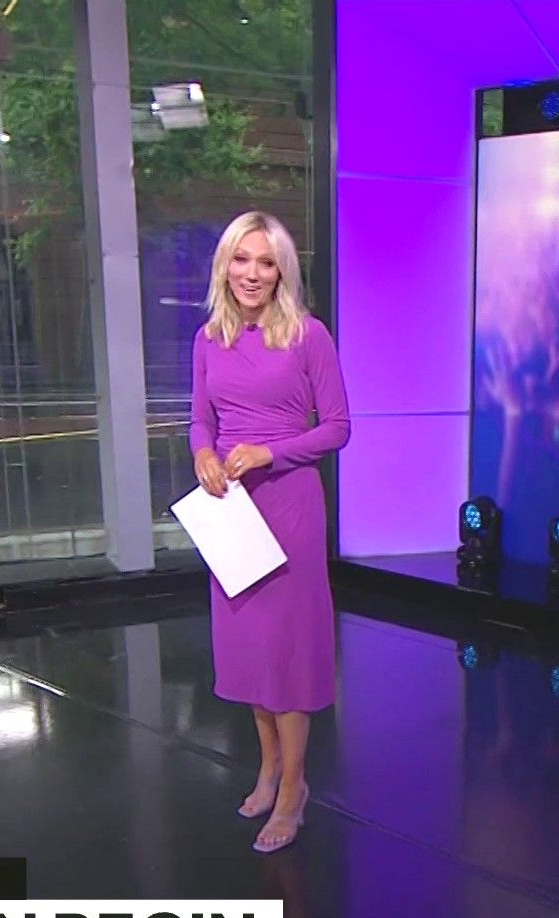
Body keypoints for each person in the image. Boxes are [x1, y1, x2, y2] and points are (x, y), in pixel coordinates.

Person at [189, 210, 350, 854]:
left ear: (282, 270)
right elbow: (200, 418)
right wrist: (202, 453)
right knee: (251, 651)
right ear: (225, 266)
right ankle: (269, 768)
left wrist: (270, 453)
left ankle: (293, 789)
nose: (252, 273)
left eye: (266, 261)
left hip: (289, 508)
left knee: (287, 654)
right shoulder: (209, 338)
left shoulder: (308, 335)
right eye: (241, 259)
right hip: (232, 510)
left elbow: (337, 427)